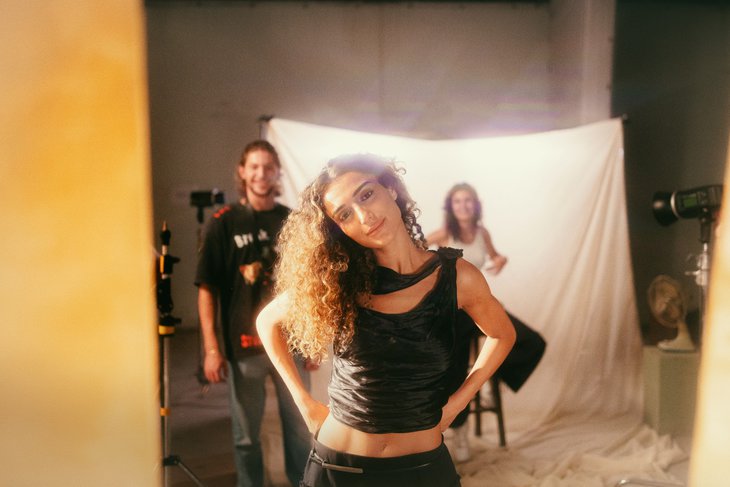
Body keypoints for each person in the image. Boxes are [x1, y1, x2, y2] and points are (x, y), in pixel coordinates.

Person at [256, 154, 516, 487]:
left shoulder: (457, 278)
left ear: (391, 189)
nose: (364, 216)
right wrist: (304, 402)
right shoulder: (337, 280)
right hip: (339, 469)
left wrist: (456, 405)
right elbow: (267, 322)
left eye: (366, 195)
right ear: (340, 229)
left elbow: (502, 335)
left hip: (423, 470)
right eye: (345, 214)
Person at [195, 140, 312, 487]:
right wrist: (211, 349)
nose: (261, 174)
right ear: (243, 172)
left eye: (268, 167)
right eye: (255, 167)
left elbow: (307, 284)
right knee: (246, 435)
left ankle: (302, 483)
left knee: (301, 427)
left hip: (291, 344)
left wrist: (311, 340)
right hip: (244, 347)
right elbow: (206, 289)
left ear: (277, 173)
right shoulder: (222, 223)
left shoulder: (292, 220)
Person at [426, 182, 547, 462]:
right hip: (452, 311)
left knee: (531, 342)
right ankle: (460, 430)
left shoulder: (482, 233)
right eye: (458, 201)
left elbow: (494, 256)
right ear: (451, 207)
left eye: (468, 200)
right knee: (456, 369)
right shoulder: (443, 234)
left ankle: (489, 380)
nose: (463, 206)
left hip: (479, 305)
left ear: (476, 204)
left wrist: (501, 259)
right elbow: (413, 255)